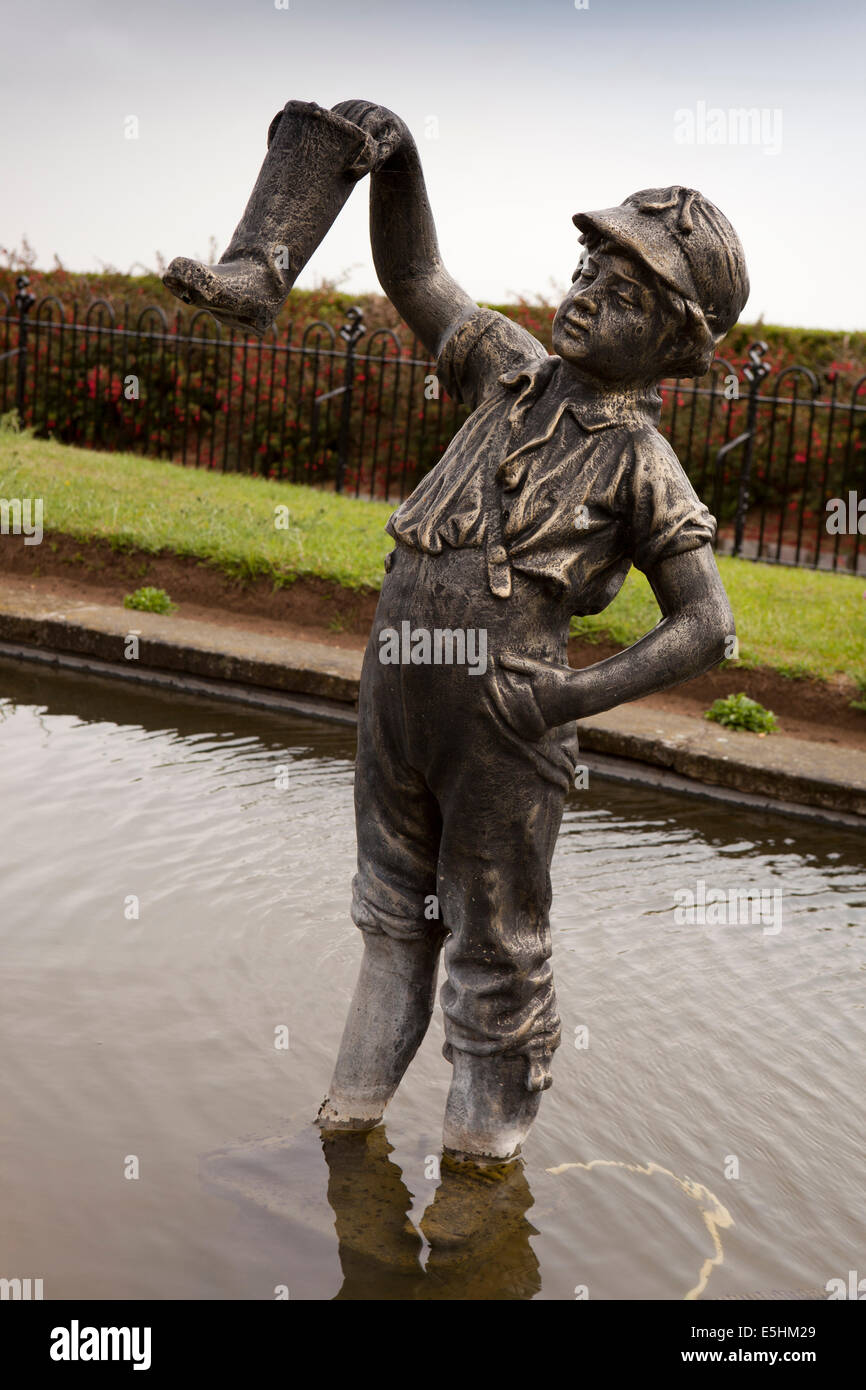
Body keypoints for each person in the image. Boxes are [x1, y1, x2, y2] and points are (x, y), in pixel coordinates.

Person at [165, 100, 748, 1166]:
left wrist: (567, 697)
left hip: (502, 727)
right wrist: (397, 160)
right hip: (397, 698)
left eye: (621, 299)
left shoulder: (637, 462)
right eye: (586, 272)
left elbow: (706, 624)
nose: (583, 300)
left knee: (494, 948)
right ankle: (347, 1126)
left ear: (672, 346)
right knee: (390, 919)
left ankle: (482, 1175)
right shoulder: (502, 368)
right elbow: (415, 276)